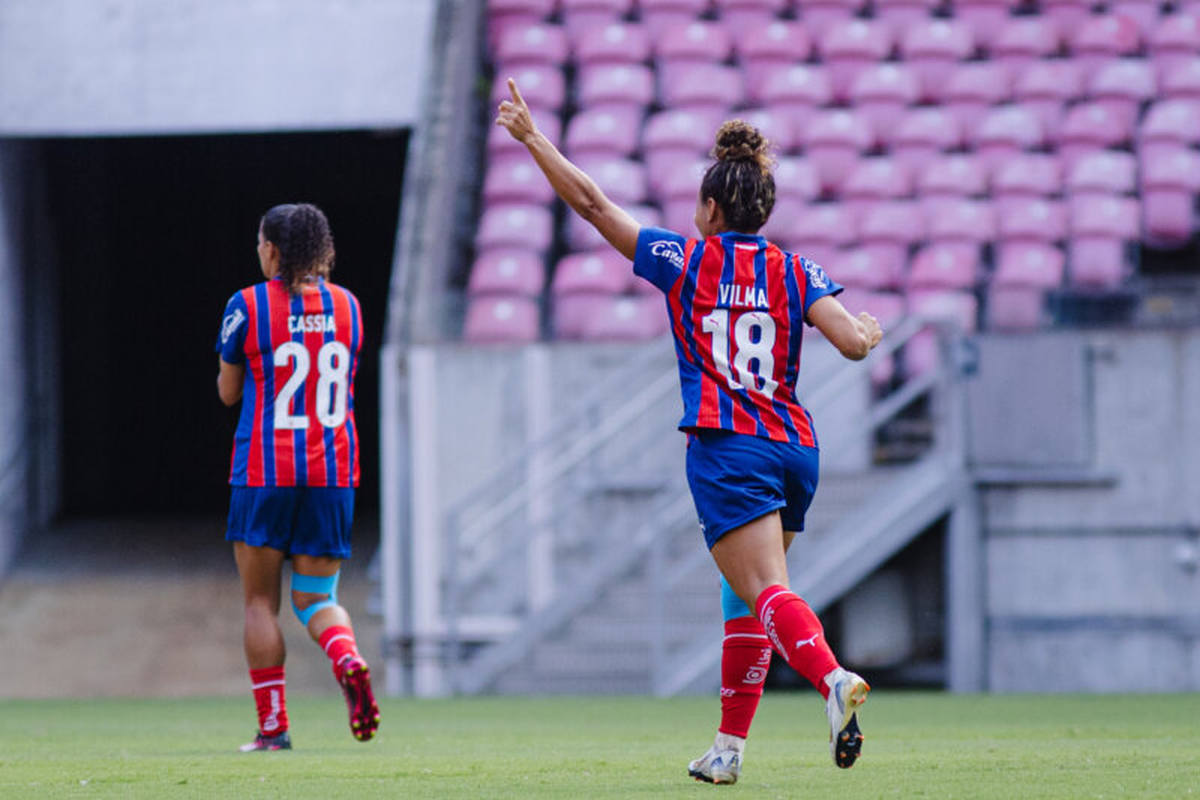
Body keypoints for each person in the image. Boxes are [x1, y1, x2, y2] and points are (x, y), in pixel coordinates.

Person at [496, 79, 883, 784]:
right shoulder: (797, 270)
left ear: (711, 207)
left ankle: (830, 678)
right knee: (748, 598)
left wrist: (531, 137)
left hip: (727, 445)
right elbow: (852, 345)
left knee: (764, 589)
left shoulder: (686, 260)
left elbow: (591, 203)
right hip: (794, 446)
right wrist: (867, 331)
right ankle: (727, 752)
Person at [215, 202, 379, 752]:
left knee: (260, 604)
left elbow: (228, 392)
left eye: (262, 243)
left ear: (274, 250)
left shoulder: (248, 305)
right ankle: (348, 657)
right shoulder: (350, 307)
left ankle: (273, 728)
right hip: (333, 471)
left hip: (265, 470)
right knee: (315, 596)